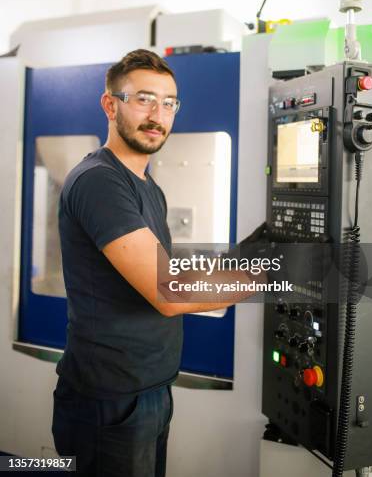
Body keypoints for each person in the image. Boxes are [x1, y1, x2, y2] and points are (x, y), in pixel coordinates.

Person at [52, 49, 267, 477]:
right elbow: (169, 291)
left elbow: (161, 271)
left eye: (169, 103)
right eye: (144, 99)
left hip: (147, 390)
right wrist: (275, 276)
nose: (158, 114)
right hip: (110, 400)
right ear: (110, 104)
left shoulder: (148, 186)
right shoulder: (100, 181)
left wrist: (249, 253)